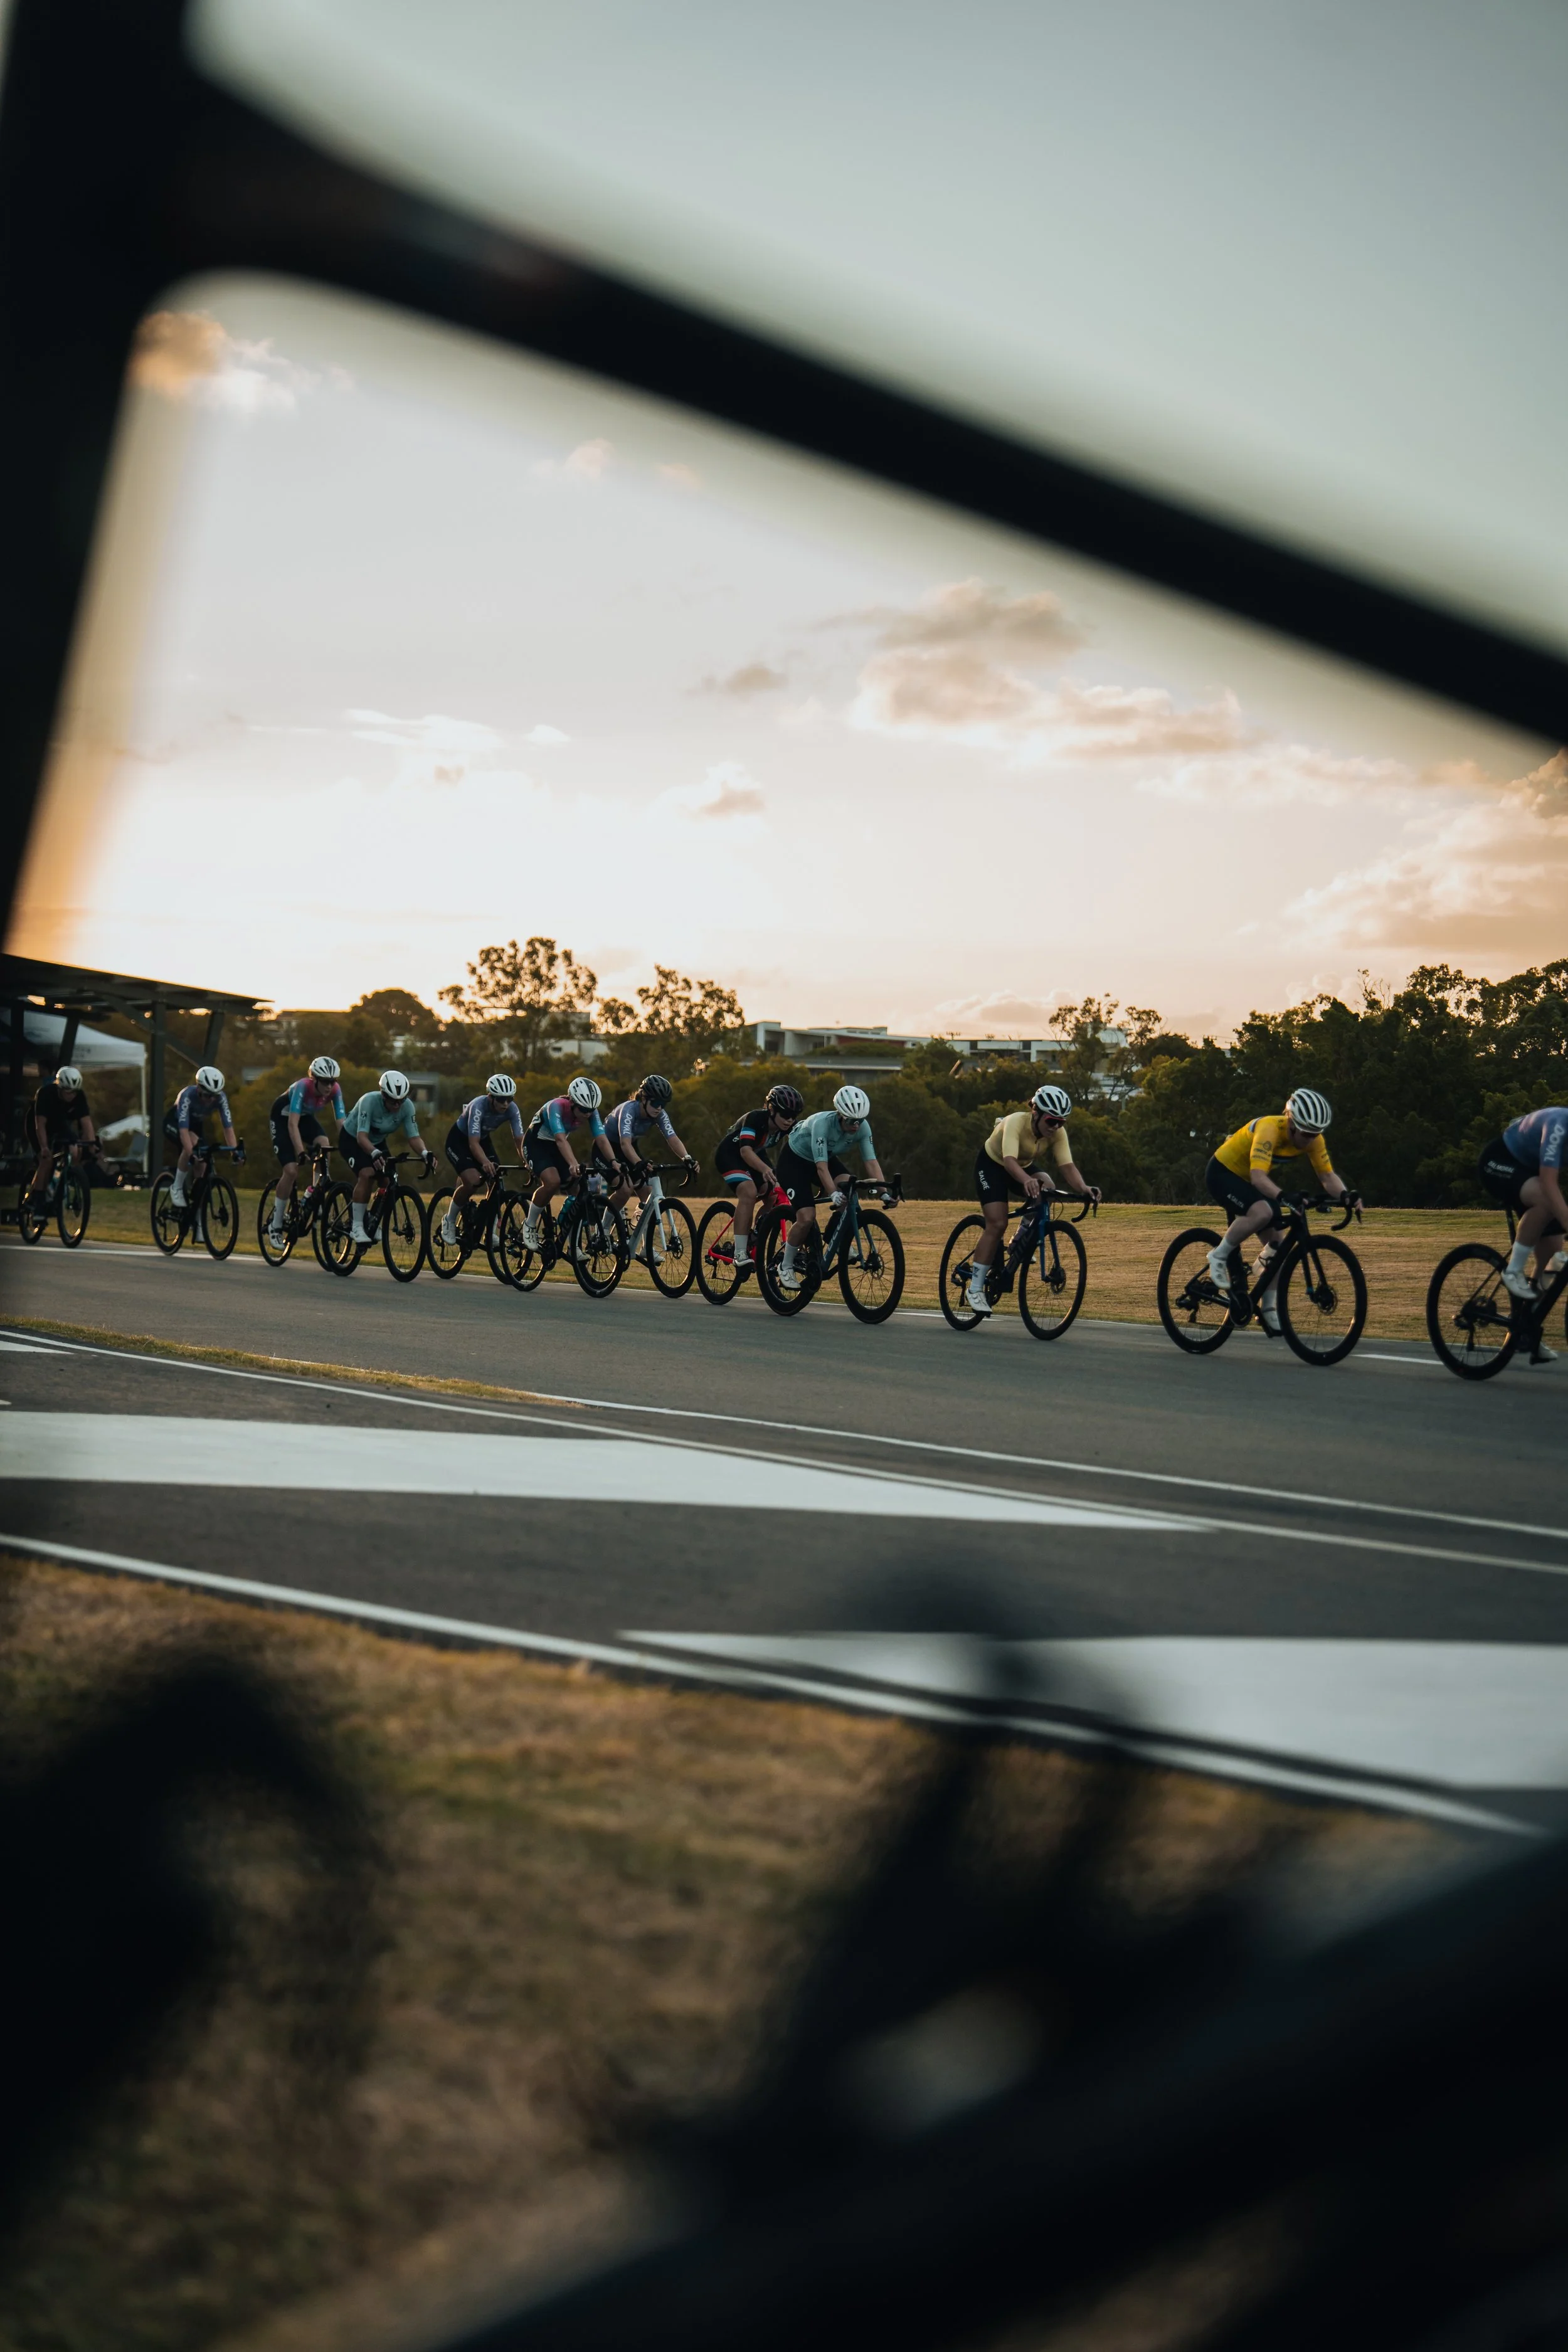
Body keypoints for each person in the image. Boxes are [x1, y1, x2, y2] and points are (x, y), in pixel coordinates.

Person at [1204, 1088, 1357, 1335]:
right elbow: (1258, 1177)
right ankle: (1218, 1256)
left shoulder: (1314, 1139)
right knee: (1264, 1212)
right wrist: (1283, 1196)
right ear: (1292, 1123)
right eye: (1306, 1133)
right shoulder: (1269, 1129)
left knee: (1279, 1245)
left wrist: (1346, 1196)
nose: (1310, 1139)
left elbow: (1327, 1176)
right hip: (1224, 1174)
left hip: (1251, 1182)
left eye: (1315, 1134)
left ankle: (1268, 1308)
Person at [965, 1084, 1099, 1315]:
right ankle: (975, 1288)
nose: (1055, 1127)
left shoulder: (1057, 1133)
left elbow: (1067, 1166)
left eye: (1061, 1122)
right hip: (992, 1166)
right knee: (997, 1223)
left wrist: (1084, 1188)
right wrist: (1026, 1180)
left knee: (1047, 1187)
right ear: (1036, 1113)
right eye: (1051, 1121)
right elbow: (1009, 1161)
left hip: (1022, 1165)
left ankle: (1020, 1239)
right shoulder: (1016, 1122)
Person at [773, 1084, 894, 1294]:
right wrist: (833, 1194)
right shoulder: (823, 1125)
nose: (856, 1125)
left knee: (850, 1187)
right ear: (840, 1115)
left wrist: (884, 1192)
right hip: (795, 1162)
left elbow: (871, 1162)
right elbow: (821, 1168)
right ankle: (785, 1265)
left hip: (823, 1159)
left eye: (860, 1120)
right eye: (851, 1121)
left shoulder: (862, 1127)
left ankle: (833, 1236)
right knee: (806, 1216)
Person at [1478, 1106, 1568, 1362]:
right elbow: (1549, 1183)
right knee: (1545, 1198)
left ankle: (1526, 1329)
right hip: (1499, 1162)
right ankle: (1513, 1270)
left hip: (1527, 1173)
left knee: (1554, 1259)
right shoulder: (1559, 1125)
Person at [330, 1070, 437, 1248]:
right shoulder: (369, 1101)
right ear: (383, 1095)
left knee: (387, 1180)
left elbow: (414, 1137)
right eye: (393, 1101)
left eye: (401, 1101)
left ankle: (373, 1218)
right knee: (366, 1174)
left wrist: (425, 1153)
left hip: (377, 1141)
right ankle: (357, 1226)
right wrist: (373, 1154)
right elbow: (362, 1137)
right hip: (352, 1139)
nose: (397, 1105)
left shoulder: (407, 1106)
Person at [711, 1083, 803, 1273]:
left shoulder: (788, 1126)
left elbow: (797, 1152)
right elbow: (745, 1151)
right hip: (732, 1153)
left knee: (774, 1192)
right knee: (750, 1192)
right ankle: (740, 1253)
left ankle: (756, 1233)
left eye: (794, 1116)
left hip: (757, 1152)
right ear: (771, 1109)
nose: (790, 1120)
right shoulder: (756, 1118)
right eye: (785, 1115)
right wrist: (765, 1170)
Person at [519, 1074, 617, 1253]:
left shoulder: (591, 1111)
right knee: (553, 1182)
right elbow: (560, 1139)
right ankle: (530, 1224)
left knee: (578, 1191)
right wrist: (573, 1164)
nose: (588, 1114)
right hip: (536, 1144)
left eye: (591, 1110)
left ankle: (573, 1244)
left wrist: (613, 1161)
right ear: (572, 1102)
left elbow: (602, 1139)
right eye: (583, 1109)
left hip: (557, 1147)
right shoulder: (556, 1106)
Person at [442, 1073, 527, 1246]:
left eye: (509, 1099)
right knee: (473, 1181)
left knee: (497, 1180)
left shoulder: (512, 1109)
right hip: (460, 1141)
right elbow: (473, 1144)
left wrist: (527, 1161)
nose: (505, 1104)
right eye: (501, 1100)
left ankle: (489, 1231)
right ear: (490, 1097)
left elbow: (520, 1140)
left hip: (483, 1139)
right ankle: (449, 1220)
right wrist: (484, 1163)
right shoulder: (478, 1106)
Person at [600, 1075, 699, 1216]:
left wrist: (687, 1158)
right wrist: (639, 1163)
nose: (659, 1108)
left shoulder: (659, 1114)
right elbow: (625, 1143)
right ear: (644, 1098)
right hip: (606, 1147)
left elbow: (672, 1138)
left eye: (663, 1104)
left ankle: (640, 1227)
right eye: (656, 1103)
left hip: (628, 1148)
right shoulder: (629, 1110)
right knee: (625, 1190)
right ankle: (603, 1230)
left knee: (647, 1193)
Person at [268, 1057, 347, 1227]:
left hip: (304, 1118)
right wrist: (301, 1152)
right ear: (315, 1079)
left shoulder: (335, 1090)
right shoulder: (303, 1087)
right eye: (326, 1082)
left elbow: (341, 1123)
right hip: (283, 1118)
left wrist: (348, 1146)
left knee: (324, 1145)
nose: (329, 1086)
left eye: (333, 1082)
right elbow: (292, 1124)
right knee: (291, 1171)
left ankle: (315, 1193)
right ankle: (276, 1224)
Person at [166, 1064, 243, 1204]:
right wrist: (191, 1154)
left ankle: (197, 1210)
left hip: (195, 1125)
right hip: (175, 1123)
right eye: (208, 1095)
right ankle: (176, 1187)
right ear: (199, 1088)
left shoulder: (221, 1098)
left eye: (215, 1095)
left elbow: (228, 1128)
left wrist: (235, 1152)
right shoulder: (187, 1096)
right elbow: (183, 1131)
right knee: (192, 1145)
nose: (212, 1100)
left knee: (203, 1163)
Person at [26, 1064, 102, 1204]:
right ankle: (37, 1201)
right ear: (59, 1088)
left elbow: (87, 1123)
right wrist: (44, 1147)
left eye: (74, 1092)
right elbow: (40, 1125)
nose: (71, 1096)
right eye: (68, 1092)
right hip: (37, 1125)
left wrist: (92, 1146)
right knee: (46, 1160)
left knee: (75, 1151)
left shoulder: (79, 1096)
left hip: (59, 1124)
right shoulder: (46, 1094)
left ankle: (60, 1183)